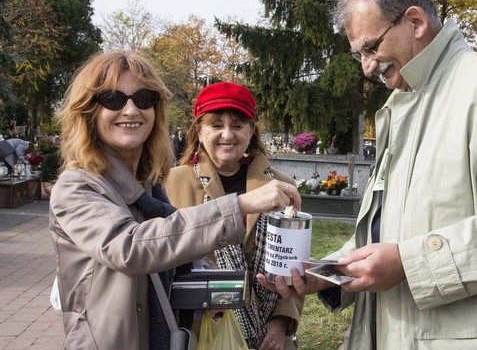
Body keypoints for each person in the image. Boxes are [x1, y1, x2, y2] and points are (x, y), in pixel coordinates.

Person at [257, 0, 477, 349]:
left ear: (415, 21)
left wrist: (408, 263)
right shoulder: (402, 105)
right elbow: (388, 232)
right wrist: (329, 273)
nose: (367, 67)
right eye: (359, 54)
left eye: (371, 48)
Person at [49, 50, 300, 350]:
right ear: (89, 112)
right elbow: (131, 246)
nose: (130, 111)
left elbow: (177, 265)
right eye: (113, 99)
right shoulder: (78, 186)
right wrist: (241, 205)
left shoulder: (150, 186)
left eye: (143, 99)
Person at [164, 82, 302, 350]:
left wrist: (281, 322)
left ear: (251, 132)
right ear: (199, 132)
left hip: (268, 337)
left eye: (238, 125)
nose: (227, 134)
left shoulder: (282, 187)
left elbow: (292, 263)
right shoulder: (171, 183)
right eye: (216, 125)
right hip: (198, 331)